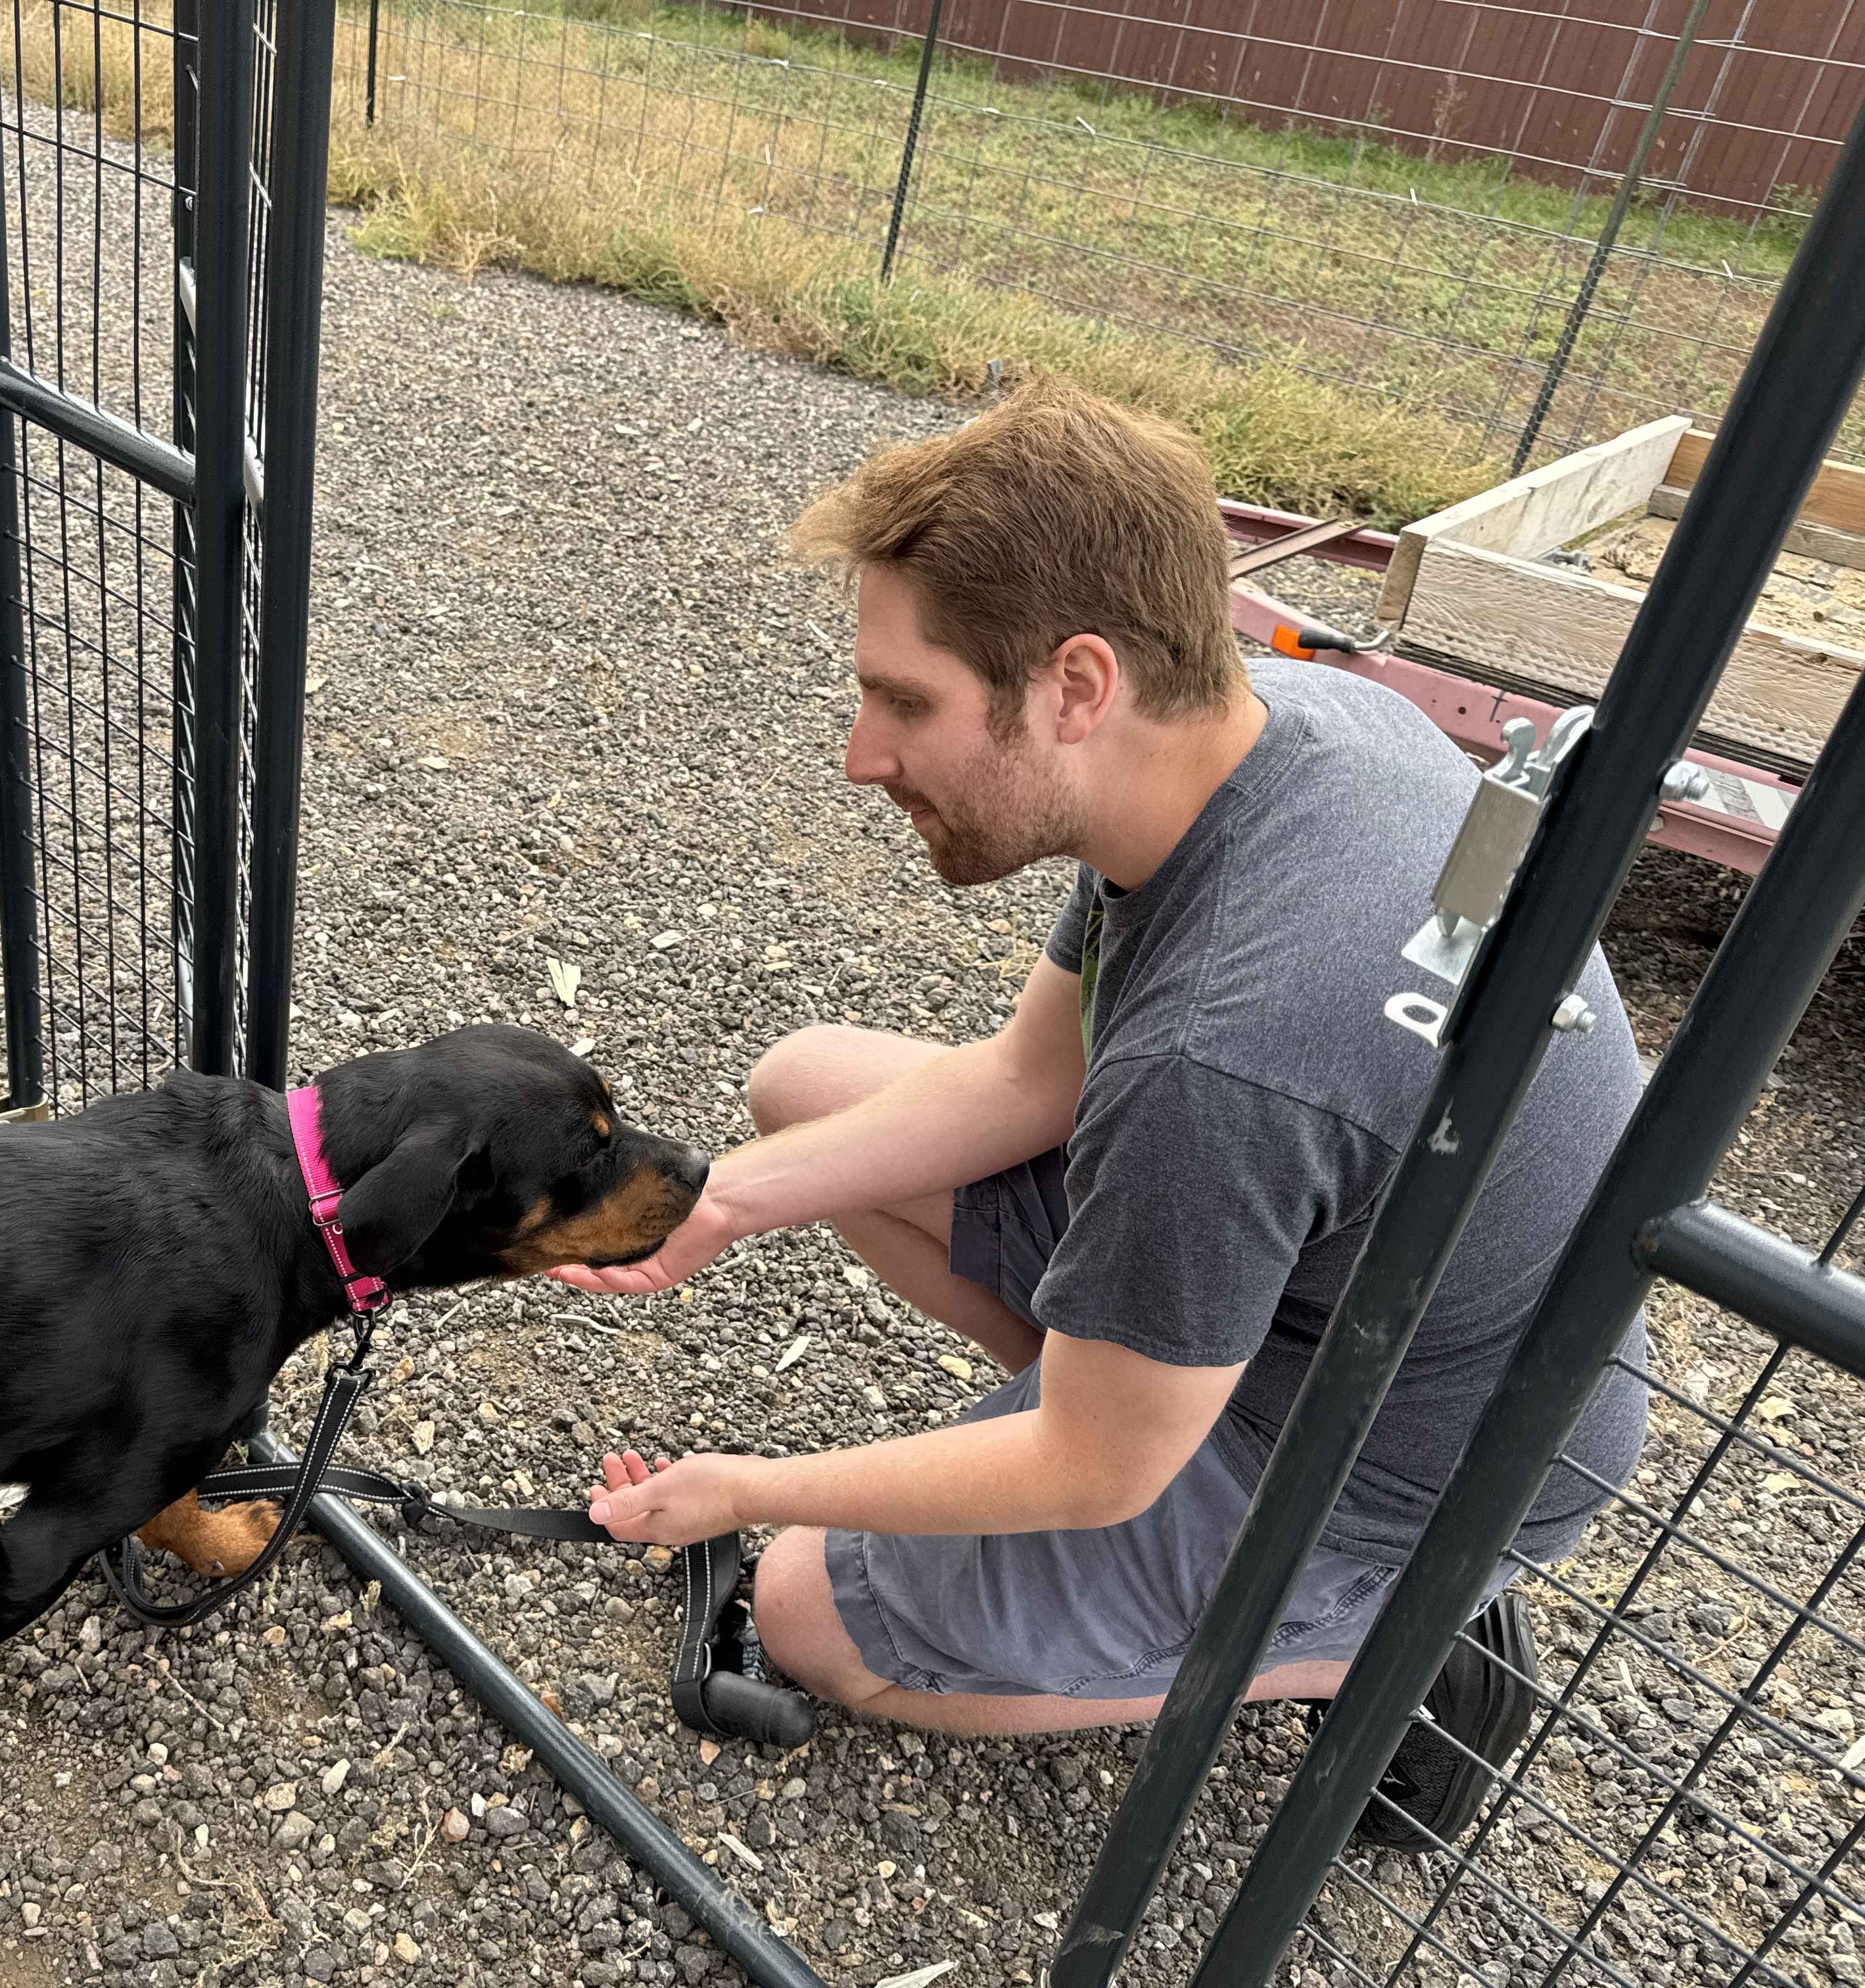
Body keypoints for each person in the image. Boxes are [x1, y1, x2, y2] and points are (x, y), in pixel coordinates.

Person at [550, 381, 1648, 1845]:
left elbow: (1092, 1466)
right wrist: (730, 1201)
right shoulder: (1274, 734)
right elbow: (1025, 1082)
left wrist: (743, 1486)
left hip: (1400, 1463)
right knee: (801, 1095)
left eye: (908, 701)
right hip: (1345, 1289)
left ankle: (1366, 1641)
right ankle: (1135, 1383)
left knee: (815, 1611)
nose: (861, 756)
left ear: (1076, 685)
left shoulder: (1223, 1062)